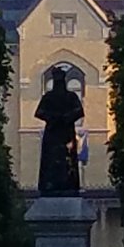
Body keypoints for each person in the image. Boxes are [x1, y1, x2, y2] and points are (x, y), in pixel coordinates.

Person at [35, 66, 83, 195]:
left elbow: (79, 111)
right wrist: (52, 118)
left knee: (68, 160)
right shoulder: (48, 97)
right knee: (51, 160)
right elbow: (39, 112)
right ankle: (50, 185)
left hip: (66, 134)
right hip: (53, 133)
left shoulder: (71, 96)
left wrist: (67, 117)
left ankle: (69, 185)